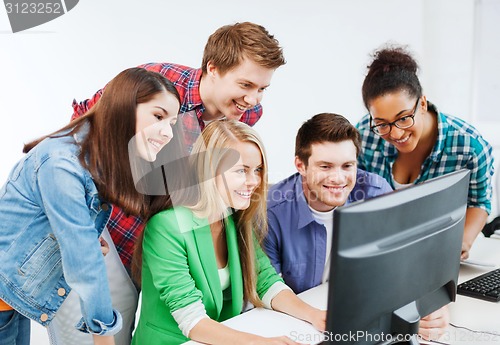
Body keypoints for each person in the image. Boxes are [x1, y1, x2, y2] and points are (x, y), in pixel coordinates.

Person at [71, 21, 286, 279]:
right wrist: (79, 222)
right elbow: (81, 128)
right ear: (213, 69)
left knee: (125, 318)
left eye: (262, 89)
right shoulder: (158, 83)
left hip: (157, 242)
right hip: (104, 224)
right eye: (245, 85)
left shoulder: (248, 115)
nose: (252, 100)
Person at [0, 67, 181, 345]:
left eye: (172, 123)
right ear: (123, 108)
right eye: (158, 116)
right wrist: (104, 336)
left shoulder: (93, 161)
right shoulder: (62, 164)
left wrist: (78, 237)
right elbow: (84, 264)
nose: (167, 132)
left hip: (10, 305)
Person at [131, 120, 325, 345]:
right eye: (241, 170)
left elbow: (265, 281)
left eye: (258, 170)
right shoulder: (166, 227)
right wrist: (259, 342)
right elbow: (191, 320)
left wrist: (314, 315)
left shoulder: (233, 218)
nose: (254, 181)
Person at [263, 113, 449, 341]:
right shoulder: (272, 211)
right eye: (325, 166)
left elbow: (407, 261)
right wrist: (314, 315)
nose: (338, 178)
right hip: (298, 323)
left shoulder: (375, 193)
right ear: (300, 165)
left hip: (363, 314)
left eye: (347, 166)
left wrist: (427, 305)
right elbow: (266, 285)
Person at [355, 44, 495, 261]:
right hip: (382, 254)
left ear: (422, 103)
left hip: (436, 255)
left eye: (403, 118)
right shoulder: (365, 135)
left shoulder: (469, 147)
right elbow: (356, 196)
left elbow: (479, 202)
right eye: (382, 123)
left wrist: (463, 242)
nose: (395, 133)